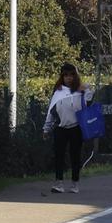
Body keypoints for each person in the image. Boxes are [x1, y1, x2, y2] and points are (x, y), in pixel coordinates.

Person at [46, 64, 86, 194]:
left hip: (76, 128)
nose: (68, 78)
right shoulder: (57, 92)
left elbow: (89, 100)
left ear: (75, 76)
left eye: (71, 75)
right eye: (66, 75)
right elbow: (51, 111)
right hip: (61, 128)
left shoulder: (81, 91)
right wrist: (46, 128)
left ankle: (75, 184)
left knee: (75, 156)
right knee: (59, 155)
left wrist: (85, 90)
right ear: (62, 77)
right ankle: (59, 183)